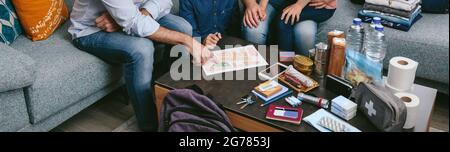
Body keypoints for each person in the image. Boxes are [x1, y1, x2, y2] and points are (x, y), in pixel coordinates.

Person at [68, 0, 213, 131]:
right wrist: (187, 41)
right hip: (91, 31)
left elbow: (166, 1)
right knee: (142, 49)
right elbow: (133, 22)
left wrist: (144, 13)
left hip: (135, 13)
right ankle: (150, 125)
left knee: (183, 27)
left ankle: (172, 99)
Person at [241, 0, 336, 55]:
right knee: (255, 29)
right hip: (274, 3)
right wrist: (260, 8)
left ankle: (297, 70)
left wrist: (299, 5)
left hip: (306, 5)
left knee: (303, 32)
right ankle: (258, 71)